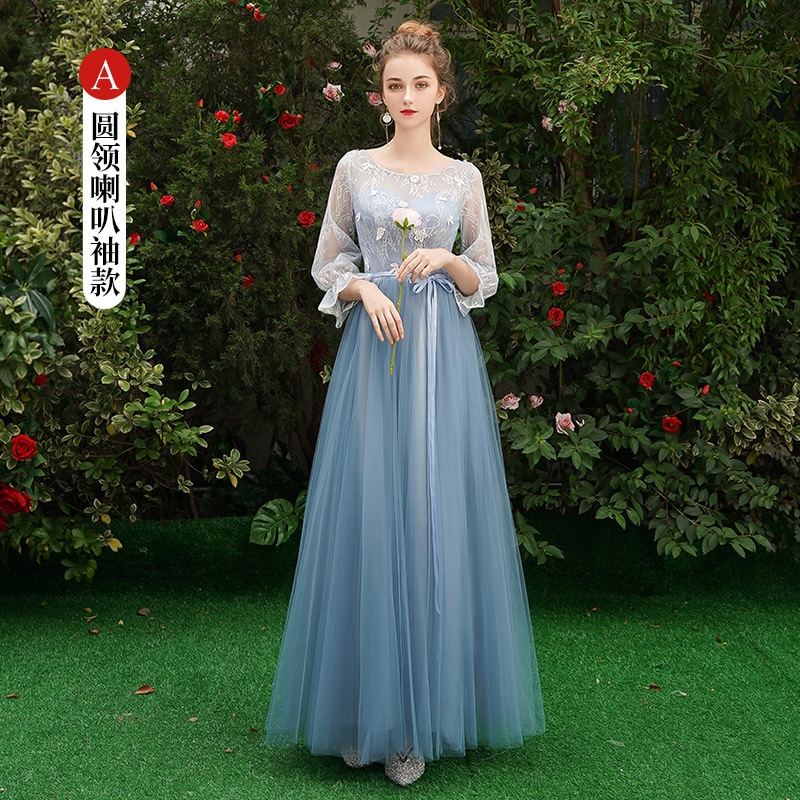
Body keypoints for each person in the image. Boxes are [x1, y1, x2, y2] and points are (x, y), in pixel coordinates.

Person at [264, 20, 546, 787]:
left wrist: (447, 259)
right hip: (374, 353)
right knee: (369, 513)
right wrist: (362, 288)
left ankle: (414, 724)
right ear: (380, 95)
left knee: (430, 516)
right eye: (396, 84)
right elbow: (329, 261)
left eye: (421, 83)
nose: (408, 95)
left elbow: (483, 277)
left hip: (440, 363)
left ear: (441, 92)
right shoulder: (355, 168)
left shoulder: (463, 179)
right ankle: (363, 711)